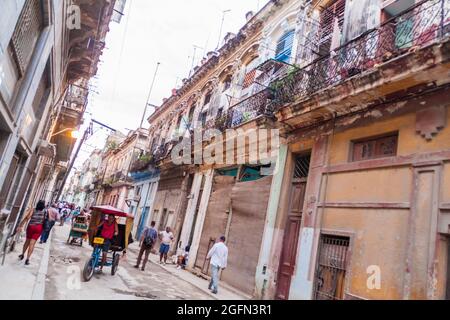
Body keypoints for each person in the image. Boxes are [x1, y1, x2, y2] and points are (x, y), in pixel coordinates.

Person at [17, 201, 48, 265]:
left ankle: (22, 254)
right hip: (39, 228)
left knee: (27, 241)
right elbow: (46, 220)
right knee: (32, 244)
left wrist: (21, 225)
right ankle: (27, 259)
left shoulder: (33, 210)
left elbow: (27, 218)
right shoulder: (45, 212)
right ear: (43, 206)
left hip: (31, 227)